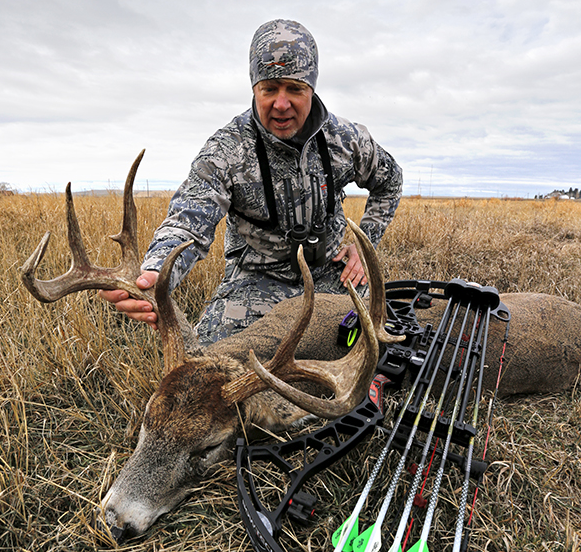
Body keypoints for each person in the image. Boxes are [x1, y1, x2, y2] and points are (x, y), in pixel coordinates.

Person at [101, 19, 402, 344]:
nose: (281, 103)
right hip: (257, 282)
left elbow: (390, 181)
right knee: (213, 366)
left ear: (311, 89)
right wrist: (155, 274)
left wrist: (363, 243)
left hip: (333, 273)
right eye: (269, 89)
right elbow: (186, 225)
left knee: (376, 343)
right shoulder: (225, 151)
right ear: (254, 88)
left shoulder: (345, 139)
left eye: (295, 89)